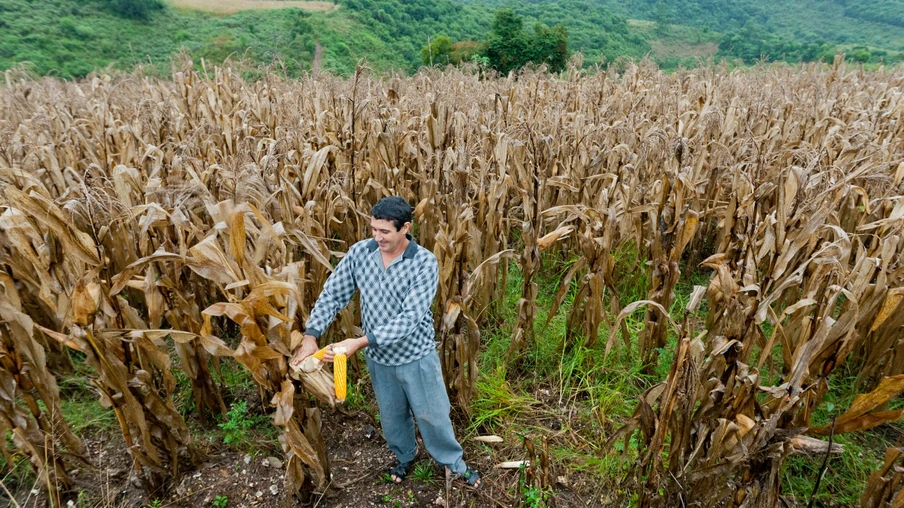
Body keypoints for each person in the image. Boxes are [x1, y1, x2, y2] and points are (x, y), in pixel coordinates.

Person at [290, 196, 481, 487]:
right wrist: (311, 335)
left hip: (416, 357)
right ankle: (405, 456)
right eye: (373, 229)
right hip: (380, 361)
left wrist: (359, 342)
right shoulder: (360, 254)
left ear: (405, 228)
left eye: (384, 232)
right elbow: (332, 295)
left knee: (433, 416)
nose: (377, 237)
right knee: (391, 419)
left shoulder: (423, 263)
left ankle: (453, 463)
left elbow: (410, 319)